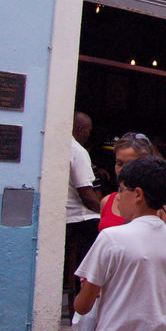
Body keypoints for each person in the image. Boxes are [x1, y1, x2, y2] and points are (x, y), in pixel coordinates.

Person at [74, 156, 166, 331]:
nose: (117, 197)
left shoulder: (111, 239)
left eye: (121, 189)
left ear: (138, 194)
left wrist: (91, 290)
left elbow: (83, 306)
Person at [98, 133, 166, 231]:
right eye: (119, 163)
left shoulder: (164, 200)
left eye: (131, 164)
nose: (123, 170)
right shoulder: (107, 201)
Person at [65, 111, 101, 317]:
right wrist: (107, 213)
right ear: (80, 130)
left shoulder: (63, 146)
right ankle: (85, 305)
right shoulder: (78, 151)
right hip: (82, 218)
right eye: (88, 130)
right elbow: (86, 194)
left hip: (70, 218)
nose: (89, 134)